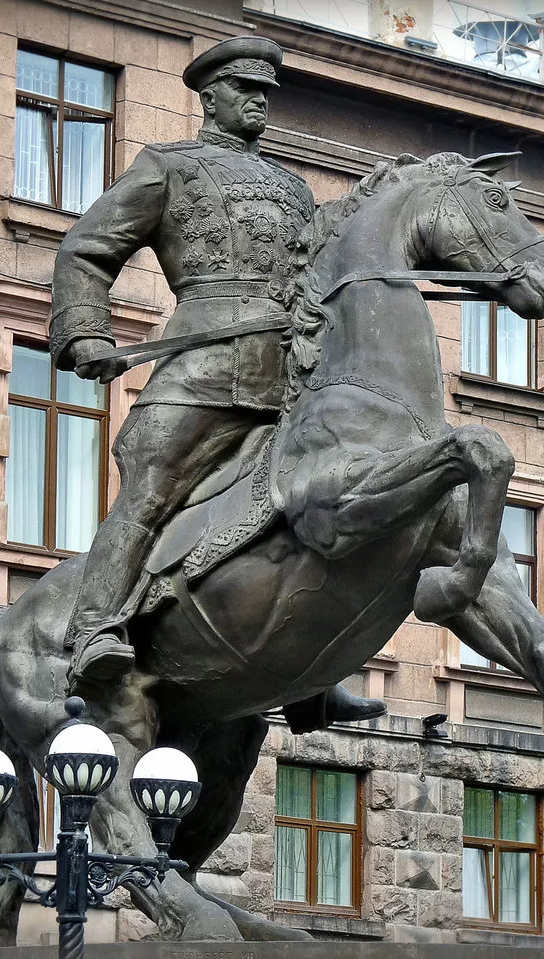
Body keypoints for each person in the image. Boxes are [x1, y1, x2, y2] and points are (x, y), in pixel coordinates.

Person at [49, 36, 383, 728]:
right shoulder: (167, 168)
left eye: (265, 90)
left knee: (324, 502)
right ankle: (94, 630)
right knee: (149, 492)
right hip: (199, 367)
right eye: (244, 87)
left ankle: (314, 674)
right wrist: (86, 332)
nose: (259, 99)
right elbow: (87, 246)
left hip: (288, 373)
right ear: (210, 96)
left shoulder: (295, 189)